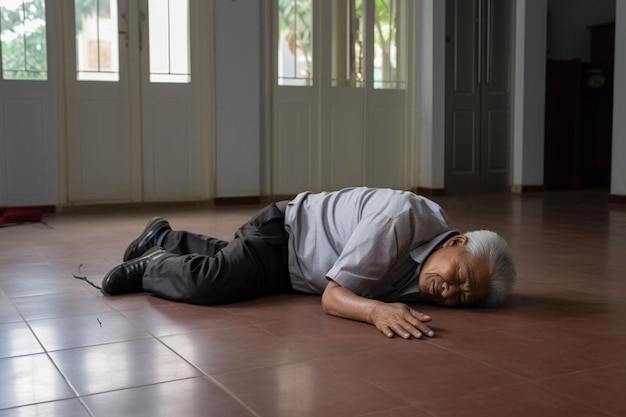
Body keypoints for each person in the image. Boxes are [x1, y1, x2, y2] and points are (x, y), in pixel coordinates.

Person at [101, 187, 516, 339]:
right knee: (214, 282)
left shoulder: (438, 261)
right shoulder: (399, 220)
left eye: (463, 298)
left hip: (295, 268)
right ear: (455, 241)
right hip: (283, 235)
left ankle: (166, 238)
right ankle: (152, 264)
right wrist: (375, 311)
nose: (450, 291)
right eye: (459, 276)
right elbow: (334, 297)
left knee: (239, 269)